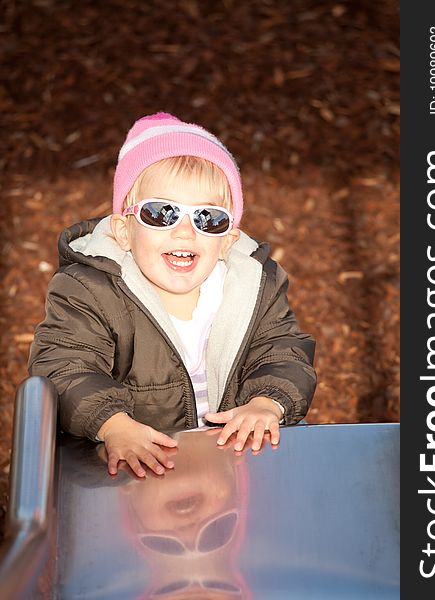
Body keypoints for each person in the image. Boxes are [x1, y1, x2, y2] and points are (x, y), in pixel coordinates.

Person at [28, 112, 317, 478]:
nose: (185, 232)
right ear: (123, 231)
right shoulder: (91, 289)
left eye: (208, 218)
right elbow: (65, 364)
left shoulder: (253, 286)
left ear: (227, 240)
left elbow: (282, 349)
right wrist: (113, 425)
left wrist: (266, 403)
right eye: (161, 213)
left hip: (235, 461)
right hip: (132, 463)